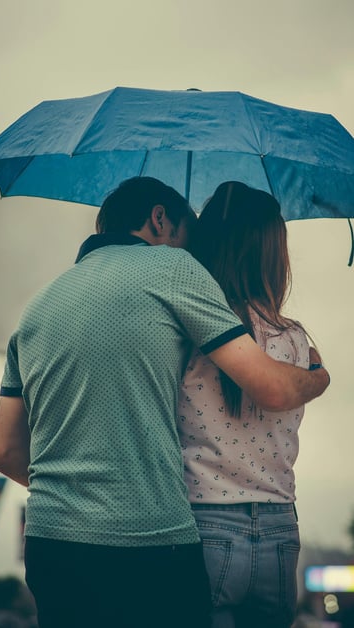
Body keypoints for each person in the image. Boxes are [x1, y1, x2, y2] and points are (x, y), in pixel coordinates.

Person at [0, 177, 329, 628]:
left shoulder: (35, 309)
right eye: (189, 239)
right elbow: (270, 388)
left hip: (50, 542)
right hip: (149, 540)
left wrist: (75, 495)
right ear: (160, 219)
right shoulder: (173, 270)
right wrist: (318, 376)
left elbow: (4, 452)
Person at [178, 181, 326, 628]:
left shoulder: (189, 334)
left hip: (205, 521)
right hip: (281, 527)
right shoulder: (295, 339)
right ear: (273, 255)